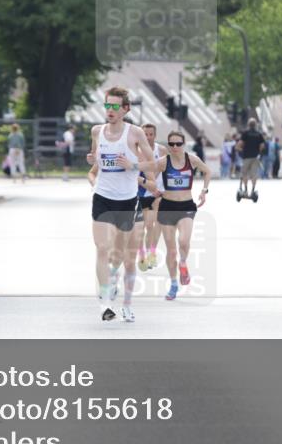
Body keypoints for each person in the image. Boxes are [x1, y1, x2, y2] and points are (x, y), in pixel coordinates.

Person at [86, 87, 156, 323]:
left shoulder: (135, 133)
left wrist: (132, 165)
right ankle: (105, 302)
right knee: (102, 248)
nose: (111, 110)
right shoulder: (97, 131)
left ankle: (112, 277)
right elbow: (96, 158)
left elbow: (154, 164)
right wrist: (91, 160)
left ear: (126, 109)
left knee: (117, 254)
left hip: (126, 200)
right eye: (107, 106)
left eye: (116, 106)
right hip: (102, 196)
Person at [122, 130, 210, 302]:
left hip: (186, 206)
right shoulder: (164, 162)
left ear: (183, 144)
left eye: (178, 144)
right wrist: (131, 167)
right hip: (167, 207)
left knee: (184, 241)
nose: (175, 147)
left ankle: (183, 263)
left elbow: (207, 171)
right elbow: (147, 167)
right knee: (171, 251)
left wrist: (204, 191)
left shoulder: (192, 160)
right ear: (168, 146)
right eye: (172, 144)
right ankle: (174, 284)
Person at [135, 124, 162, 272]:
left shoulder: (161, 150)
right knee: (140, 228)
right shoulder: (135, 151)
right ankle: (142, 255)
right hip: (138, 193)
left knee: (151, 226)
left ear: (155, 135)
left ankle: (152, 253)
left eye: (151, 134)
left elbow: (166, 165)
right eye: (145, 134)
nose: (148, 137)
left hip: (154, 193)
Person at [235, 118, 265, 197]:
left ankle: (245, 190)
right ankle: (253, 190)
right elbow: (262, 146)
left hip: (246, 156)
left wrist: (240, 149)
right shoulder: (259, 134)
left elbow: (240, 144)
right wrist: (258, 151)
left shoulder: (245, 133)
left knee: (244, 173)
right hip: (255, 157)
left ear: (248, 125)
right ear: (255, 125)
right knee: (254, 174)